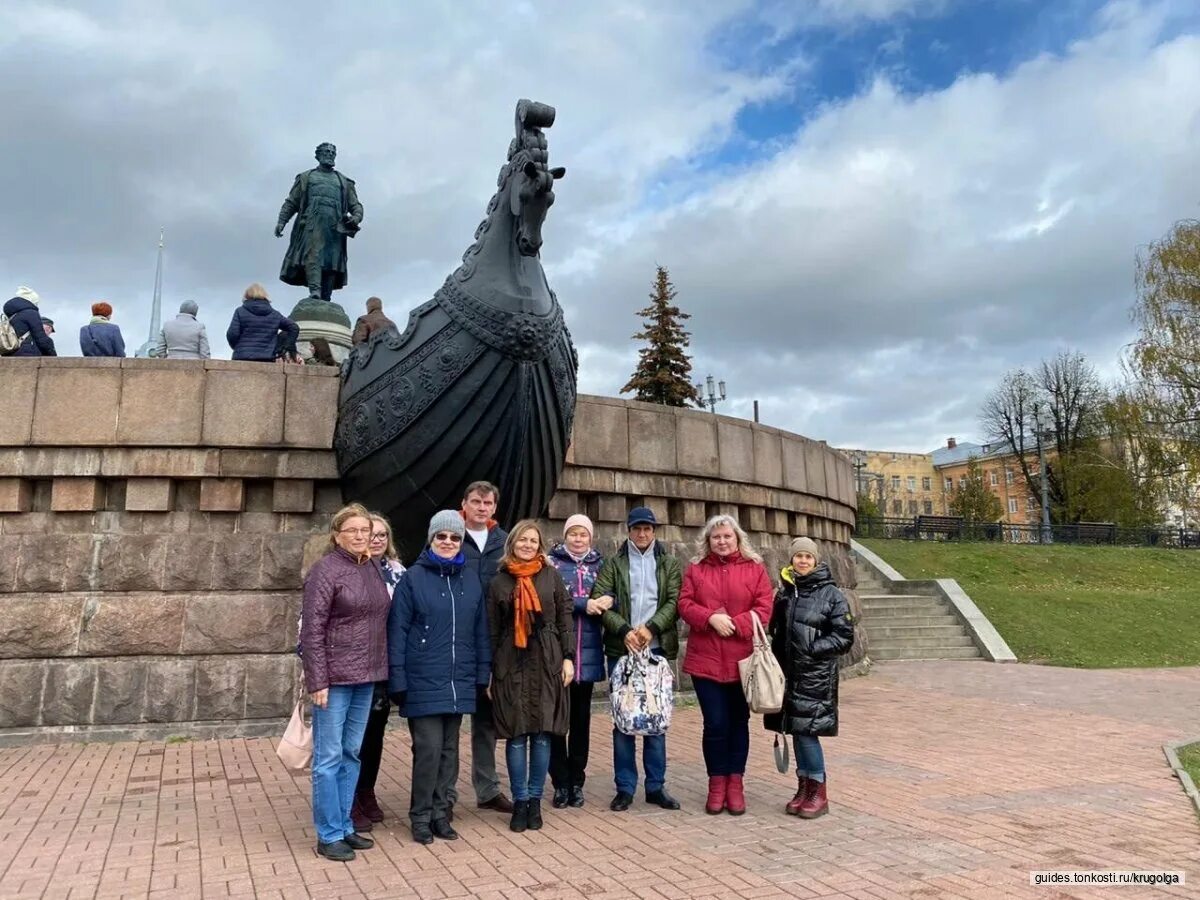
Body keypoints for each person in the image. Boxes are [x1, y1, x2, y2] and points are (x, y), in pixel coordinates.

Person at [388, 511, 490, 845]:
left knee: (449, 750)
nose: (448, 542)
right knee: (428, 749)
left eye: (455, 537)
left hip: (458, 679)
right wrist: (398, 680)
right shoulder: (413, 578)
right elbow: (398, 631)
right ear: (431, 539)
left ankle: (440, 812)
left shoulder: (471, 579)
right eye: (441, 537)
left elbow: (480, 632)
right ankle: (420, 815)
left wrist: (481, 674)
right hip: (422, 678)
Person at [300, 503, 392, 862]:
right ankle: (328, 833)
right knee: (328, 756)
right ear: (337, 535)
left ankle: (344, 824)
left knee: (352, 753)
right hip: (335, 678)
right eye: (352, 530)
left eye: (364, 531)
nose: (359, 536)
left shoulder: (371, 567)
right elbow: (312, 630)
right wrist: (317, 679)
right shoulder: (325, 571)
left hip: (366, 676)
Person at [677, 515, 774, 815]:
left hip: (742, 660)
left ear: (737, 538)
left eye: (727, 536)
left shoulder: (754, 569)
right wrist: (709, 618)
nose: (721, 541)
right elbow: (684, 603)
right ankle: (716, 783)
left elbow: (764, 606)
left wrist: (735, 623)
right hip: (705, 660)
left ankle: (736, 783)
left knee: (738, 723)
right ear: (708, 540)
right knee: (715, 724)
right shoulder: (696, 569)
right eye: (716, 537)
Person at [591, 506, 683, 812]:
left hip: (655, 650)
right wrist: (626, 630)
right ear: (628, 530)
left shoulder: (668, 562)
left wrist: (651, 628)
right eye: (637, 528)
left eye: (647, 529)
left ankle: (655, 786)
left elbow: (674, 601)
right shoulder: (613, 563)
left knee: (656, 719)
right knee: (624, 720)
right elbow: (601, 600)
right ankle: (625, 787)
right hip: (623, 651)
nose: (642, 534)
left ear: (654, 531)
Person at [487, 520, 573, 833]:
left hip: (547, 658)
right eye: (522, 540)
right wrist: (491, 672)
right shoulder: (499, 581)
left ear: (540, 546)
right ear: (512, 543)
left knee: (541, 734)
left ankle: (535, 800)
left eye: (533, 541)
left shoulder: (551, 576)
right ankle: (519, 800)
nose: (527, 545)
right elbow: (492, 629)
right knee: (516, 734)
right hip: (512, 660)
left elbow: (565, 617)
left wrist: (568, 657)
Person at [766, 537, 855, 819]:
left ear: (816, 560)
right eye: (798, 556)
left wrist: (812, 649)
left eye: (807, 556)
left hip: (814, 676)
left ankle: (818, 790)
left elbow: (844, 636)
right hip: (789, 675)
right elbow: (775, 630)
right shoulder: (786, 592)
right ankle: (804, 787)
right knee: (795, 730)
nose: (802, 561)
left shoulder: (832, 595)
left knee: (807, 734)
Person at [450, 480, 513, 815]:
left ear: (494, 507)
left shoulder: (504, 542)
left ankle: (487, 789)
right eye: (476, 502)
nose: (482, 508)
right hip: (457, 641)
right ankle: (444, 795)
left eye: (488, 503)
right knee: (449, 722)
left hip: (494, 642)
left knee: (487, 722)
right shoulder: (449, 536)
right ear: (464, 503)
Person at [350, 513, 406, 833]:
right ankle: (349, 798)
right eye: (372, 533)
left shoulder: (398, 573)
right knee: (351, 737)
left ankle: (366, 790)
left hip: (382, 668)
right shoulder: (345, 570)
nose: (377, 540)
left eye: (383, 535)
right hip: (351, 666)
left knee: (374, 735)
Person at [546, 513, 606, 808]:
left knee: (581, 722)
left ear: (590, 538)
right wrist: (585, 604)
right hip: (559, 654)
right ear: (565, 536)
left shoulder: (601, 564)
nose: (578, 539)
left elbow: (612, 594)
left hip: (590, 654)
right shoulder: (552, 563)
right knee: (558, 722)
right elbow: (556, 600)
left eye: (583, 535)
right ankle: (559, 782)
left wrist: (608, 601)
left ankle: (576, 781)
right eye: (573, 534)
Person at [275, 142, 364, 300]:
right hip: (312, 224)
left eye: (332, 152)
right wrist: (282, 221)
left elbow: (356, 205)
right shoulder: (306, 177)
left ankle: (326, 296)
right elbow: (291, 202)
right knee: (313, 255)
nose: (330, 154)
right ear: (318, 155)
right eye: (326, 151)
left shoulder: (344, 181)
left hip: (336, 227)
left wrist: (356, 218)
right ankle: (314, 291)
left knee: (332, 260)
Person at [226, 283, 299, 362]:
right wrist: (285, 347)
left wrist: (238, 347)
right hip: (267, 357)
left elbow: (232, 334)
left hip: (242, 356)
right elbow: (294, 327)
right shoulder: (275, 314)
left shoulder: (240, 311)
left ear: (247, 296)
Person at [3, 286, 56, 356]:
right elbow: (41, 339)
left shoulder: (12, 315)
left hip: (10, 352)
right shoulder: (31, 313)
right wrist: (53, 355)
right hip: (27, 354)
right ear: (32, 300)